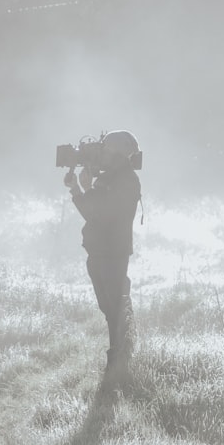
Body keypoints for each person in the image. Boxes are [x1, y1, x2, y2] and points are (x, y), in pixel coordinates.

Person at [64, 130, 141, 370]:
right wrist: (80, 188)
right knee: (109, 308)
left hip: (112, 253)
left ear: (118, 154)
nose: (102, 155)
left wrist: (81, 189)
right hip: (100, 252)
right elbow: (95, 211)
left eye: (106, 150)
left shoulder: (125, 181)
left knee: (115, 307)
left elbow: (97, 214)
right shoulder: (110, 178)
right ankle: (120, 355)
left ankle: (119, 360)